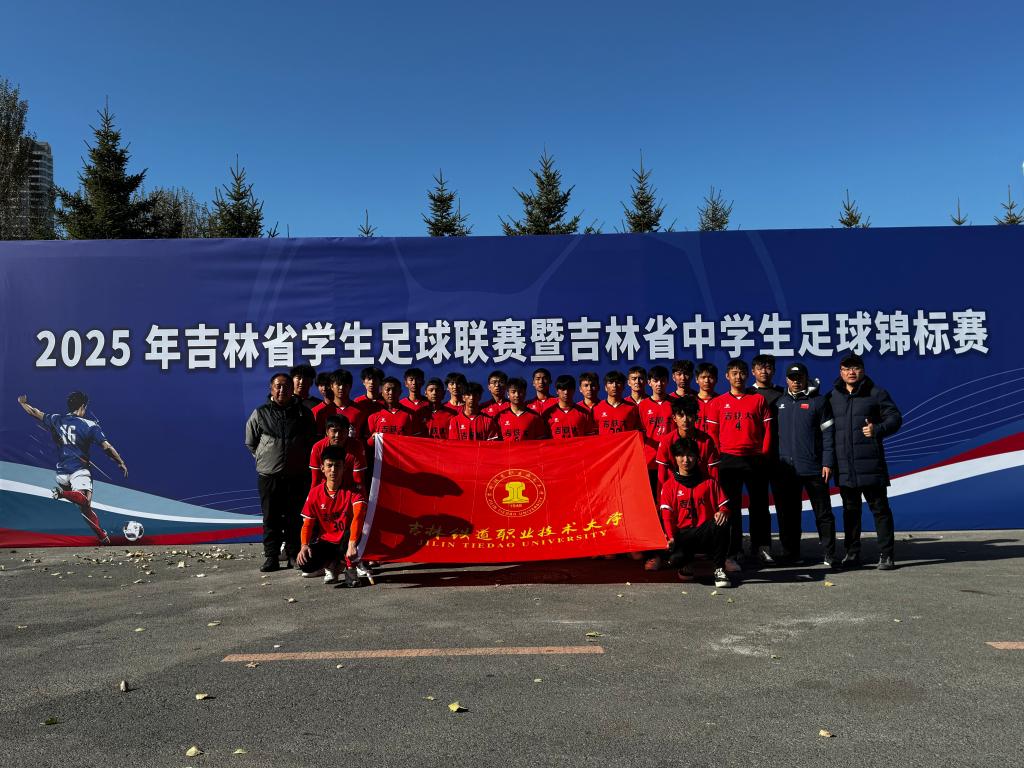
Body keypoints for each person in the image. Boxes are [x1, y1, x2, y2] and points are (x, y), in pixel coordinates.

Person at [17, 391, 129, 544]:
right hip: (79, 470)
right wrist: (120, 462)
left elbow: (35, 412)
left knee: (85, 508)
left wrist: (23, 403)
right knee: (84, 500)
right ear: (82, 406)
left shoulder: (56, 419)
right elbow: (107, 447)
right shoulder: (90, 425)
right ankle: (62, 493)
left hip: (61, 473)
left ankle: (103, 537)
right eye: (85, 407)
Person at [826, 354, 903, 570]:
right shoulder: (832, 397)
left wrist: (878, 429)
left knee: (880, 510)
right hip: (844, 467)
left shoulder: (876, 393)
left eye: (856, 368)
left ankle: (886, 554)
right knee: (850, 512)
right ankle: (852, 554)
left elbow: (895, 418)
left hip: (871, 465)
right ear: (841, 372)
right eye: (847, 368)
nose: (851, 372)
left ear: (863, 370)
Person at [704, 359, 773, 571]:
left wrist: (763, 454)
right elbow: (712, 434)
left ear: (747, 375)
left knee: (759, 505)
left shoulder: (758, 399)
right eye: (734, 373)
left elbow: (767, 430)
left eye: (741, 373)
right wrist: (717, 458)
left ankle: (761, 546)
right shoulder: (718, 402)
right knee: (730, 508)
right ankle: (733, 550)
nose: (738, 377)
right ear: (727, 376)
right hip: (728, 460)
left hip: (754, 459)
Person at [245, 373, 316, 572]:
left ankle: (293, 555)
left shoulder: (303, 413)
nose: (282, 390)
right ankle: (271, 557)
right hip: (269, 476)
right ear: (271, 388)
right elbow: (251, 442)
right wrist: (265, 458)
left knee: (295, 517)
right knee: (271, 518)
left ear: (292, 389)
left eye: (286, 386)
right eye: (278, 386)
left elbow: (311, 441)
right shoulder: (261, 413)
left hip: (297, 475)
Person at [774, 363, 837, 567]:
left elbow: (828, 435)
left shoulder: (818, 401)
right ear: (786, 380)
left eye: (799, 377)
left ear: (806, 378)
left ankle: (829, 553)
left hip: (814, 468)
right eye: (792, 378)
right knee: (789, 514)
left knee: (823, 513)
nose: (796, 381)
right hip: (787, 470)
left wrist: (827, 462)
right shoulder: (779, 402)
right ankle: (791, 553)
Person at [659, 439, 733, 588]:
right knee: (674, 560)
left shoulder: (710, 482)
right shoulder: (668, 486)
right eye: (681, 455)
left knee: (721, 522)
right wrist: (671, 538)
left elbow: (724, 506)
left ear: (697, 457)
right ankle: (686, 563)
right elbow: (667, 517)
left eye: (690, 455)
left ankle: (719, 569)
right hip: (683, 536)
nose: (686, 460)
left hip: (704, 533)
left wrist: (723, 512)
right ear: (675, 458)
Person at [297, 445, 368, 586]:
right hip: (328, 541)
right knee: (305, 563)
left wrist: (352, 544)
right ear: (322, 468)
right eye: (329, 466)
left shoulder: (355, 489)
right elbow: (307, 524)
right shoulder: (315, 493)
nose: (333, 470)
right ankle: (332, 566)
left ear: (344, 468)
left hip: (349, 539)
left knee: (353, 535)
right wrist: (304, 545)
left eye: (337, 466)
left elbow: (359, 517)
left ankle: (350, 569)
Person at [655, 396, 720, 492]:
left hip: (701, 488)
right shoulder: (666, 441)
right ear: (674, 418)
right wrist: (661, 498)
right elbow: (662, 473)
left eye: (689, 415)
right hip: (675, 491)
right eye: (681, 415)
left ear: (696, 417)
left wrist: (714, 494)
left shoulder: (706, 441)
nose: (685, 419)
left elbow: (713, 471)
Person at [637, 365, 673, 494]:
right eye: (655, 380)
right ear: (649, 382)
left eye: (662, 380)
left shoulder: (675, 403)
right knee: (651, 495)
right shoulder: (642, 405)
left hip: (671, 458)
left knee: (670, 495)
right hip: (650, 458)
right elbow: (639, 433)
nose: (659, 384)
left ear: (667, 382)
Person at [309, 414, 367, 492]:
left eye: (341, 431)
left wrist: (360, 497)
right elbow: (316, 480)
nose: (337, 435)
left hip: (349, 491)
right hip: (326, 491)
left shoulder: (357, 446)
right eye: (334, 431)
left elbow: (358, 480)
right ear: (327, 432)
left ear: (347, 432)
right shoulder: (318, 447)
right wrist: (312, 497)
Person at [366, 377, 425, 443]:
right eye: (387, 390)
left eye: (394, 390)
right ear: (382, 392)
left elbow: (417, 441)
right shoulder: (373, 416)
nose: (391, 393)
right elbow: (368, 444)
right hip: (382, 450)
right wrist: (373, 438)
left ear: (400, 392)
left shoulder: (411, 415)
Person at [545, 375, 597, 439]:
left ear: (574, 390)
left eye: (569, 389)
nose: (566, 392)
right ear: (557, 391)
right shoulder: (548, 414)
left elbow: (590, 439)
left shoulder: (584, 413)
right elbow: (543, 441)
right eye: (563, 389)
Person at [592, 371, 642, 435]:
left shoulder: (632, 408)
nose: (614, 385)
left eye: (618, 383)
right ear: (605, 387)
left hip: (625, 441)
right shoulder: (597, 408)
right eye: (610, 383)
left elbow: (637, 432)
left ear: (623, 387)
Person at [694, 362, 719, 431]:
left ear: (716, 379)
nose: (706, 381)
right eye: (703, 377)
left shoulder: (721, 401)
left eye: (710, 377)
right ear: (696, 379)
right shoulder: (690, 401)